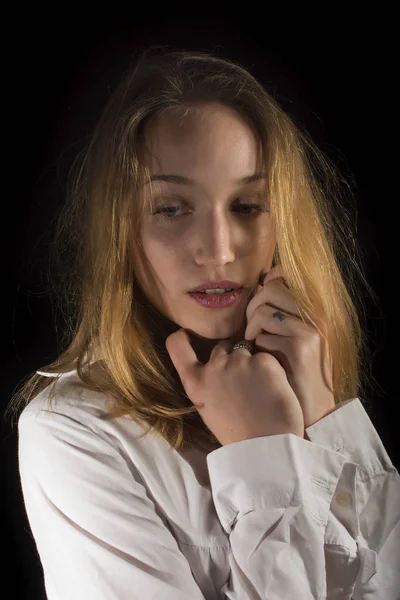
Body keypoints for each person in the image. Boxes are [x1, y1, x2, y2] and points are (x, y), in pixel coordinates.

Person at [8, 47, 399, 599]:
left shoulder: (305, 381)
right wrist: (266, 453)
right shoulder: (74, 432)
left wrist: (323, 414)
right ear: (121, 228)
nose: (218, 251)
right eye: (171, 208)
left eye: (247, 206)